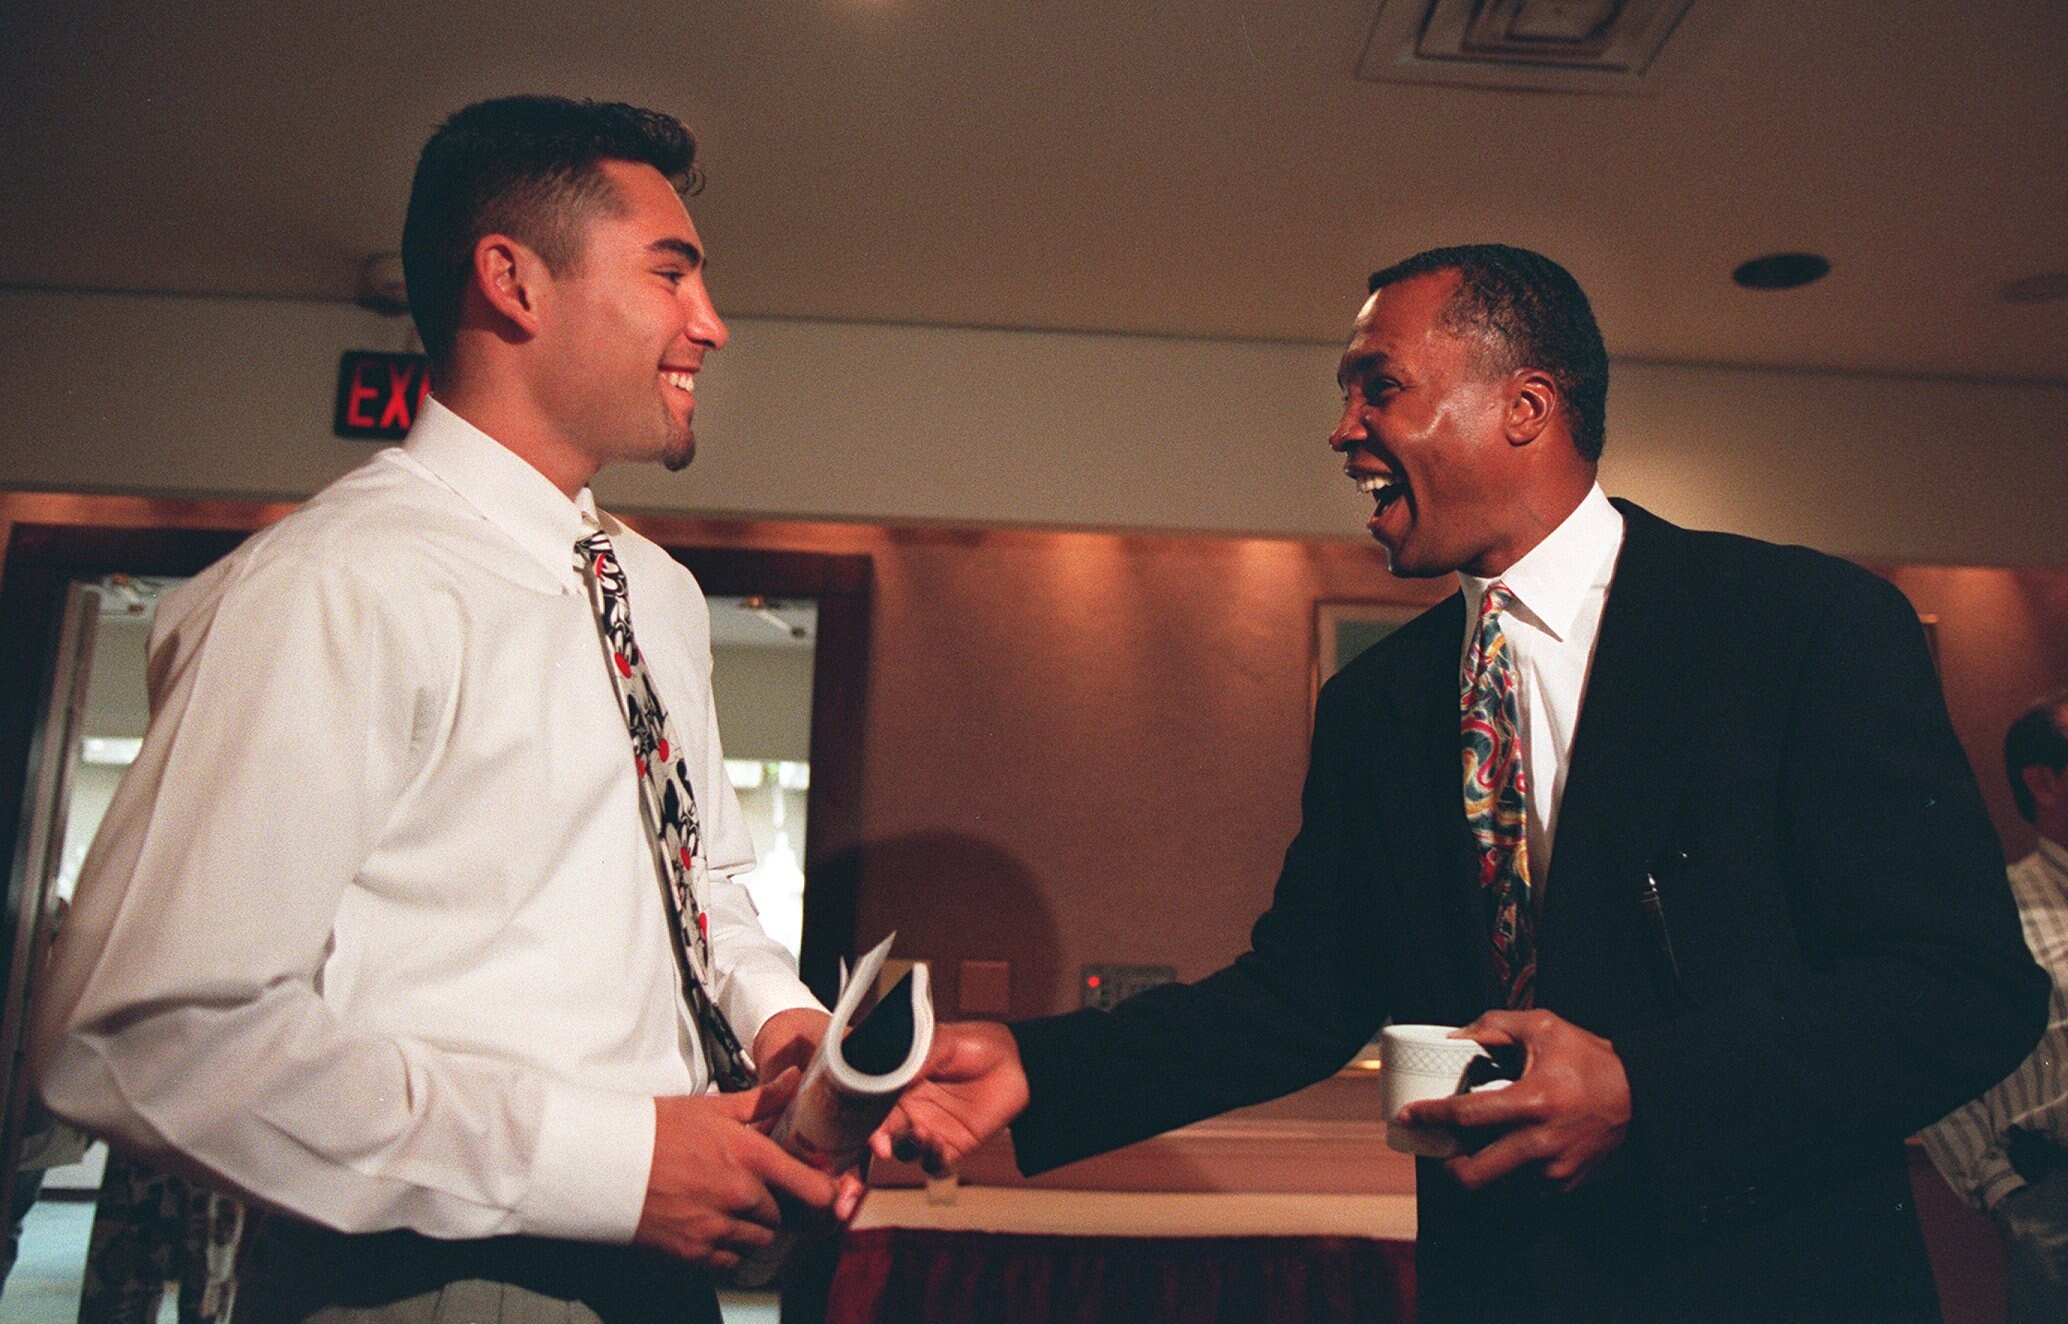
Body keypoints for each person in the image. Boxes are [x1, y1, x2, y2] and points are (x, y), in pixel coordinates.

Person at [877, 244, 2048, 1322]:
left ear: (1525, 407)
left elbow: (1960, 990)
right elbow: (1305, 992)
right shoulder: (1376, 704)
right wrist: (1043, 1065)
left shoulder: (1802, 628)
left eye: (1375, 386)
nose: (1342, 431)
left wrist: (1644, 1086)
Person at [28, 95, 859, 1324]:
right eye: (671, 273)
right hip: (431, 1277)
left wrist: (777, 1016)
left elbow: (702, 880)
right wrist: (608, 1166)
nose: (711, 325)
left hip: (662, 1271)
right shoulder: (332, 585)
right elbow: (141, 1035)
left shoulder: (658, 593)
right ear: (513, 282)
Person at [1923, 690, 2068, 1322]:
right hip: (2057, 1203)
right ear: (2043, 781)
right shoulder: (1996, 915)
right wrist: (2007, 1195)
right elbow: (1939, 1067)